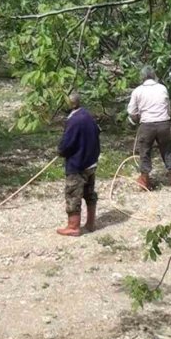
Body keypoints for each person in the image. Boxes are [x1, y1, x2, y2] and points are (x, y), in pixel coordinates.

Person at [127, 65, 171, 191]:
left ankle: (145, 180)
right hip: (163, 124)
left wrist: (136, 119)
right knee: (167, 150)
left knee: (144, 152)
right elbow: (168, 109)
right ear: (154, 75)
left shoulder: (138, 91)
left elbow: (131, 111)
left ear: (142, 77)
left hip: (147, 125)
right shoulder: (162, 88)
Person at [56, 92, 101, 236]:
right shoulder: (88, 116)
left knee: (73, 194)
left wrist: (61, 151)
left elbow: (66, 144)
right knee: (89, 193)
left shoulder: (74, 121)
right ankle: (91, 223)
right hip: (91, 162)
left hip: (78, 164)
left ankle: (73, 227)